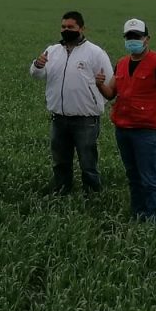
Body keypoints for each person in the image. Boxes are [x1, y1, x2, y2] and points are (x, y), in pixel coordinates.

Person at [96, 18, 156, 224]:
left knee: (149, 178)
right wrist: (99, 84)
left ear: (147, 39)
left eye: (137, 36)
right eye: (129, 37)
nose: (132, 40)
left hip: (146, 132)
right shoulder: (122, 63)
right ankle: (138, 214)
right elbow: (111, 93)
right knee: (133, 176)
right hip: (123, 129)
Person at [30, 11, 114, 195]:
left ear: (82, 29)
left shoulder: (95, 53)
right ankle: (61, 191)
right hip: (58, 118)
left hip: (86, 120)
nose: (66, 30)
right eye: (63, 27)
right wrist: (38, 64)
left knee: (88, 162)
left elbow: (110, 84)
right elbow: (37, 75)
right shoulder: (52, 51)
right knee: (60, 161)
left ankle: (92, 195)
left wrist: (94, 103)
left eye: (71, 27)